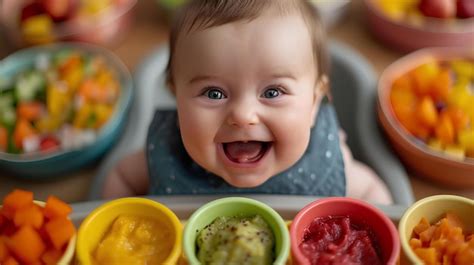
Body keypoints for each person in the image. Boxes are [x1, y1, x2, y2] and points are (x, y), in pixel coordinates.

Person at [103, 0, 392, 204]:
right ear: (176, 97)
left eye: (273, 92)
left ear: (315, 104)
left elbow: (373, 196)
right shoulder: (164, 153)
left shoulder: (328, 161)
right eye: (214, 93)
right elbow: (122, 178)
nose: (243, 115)